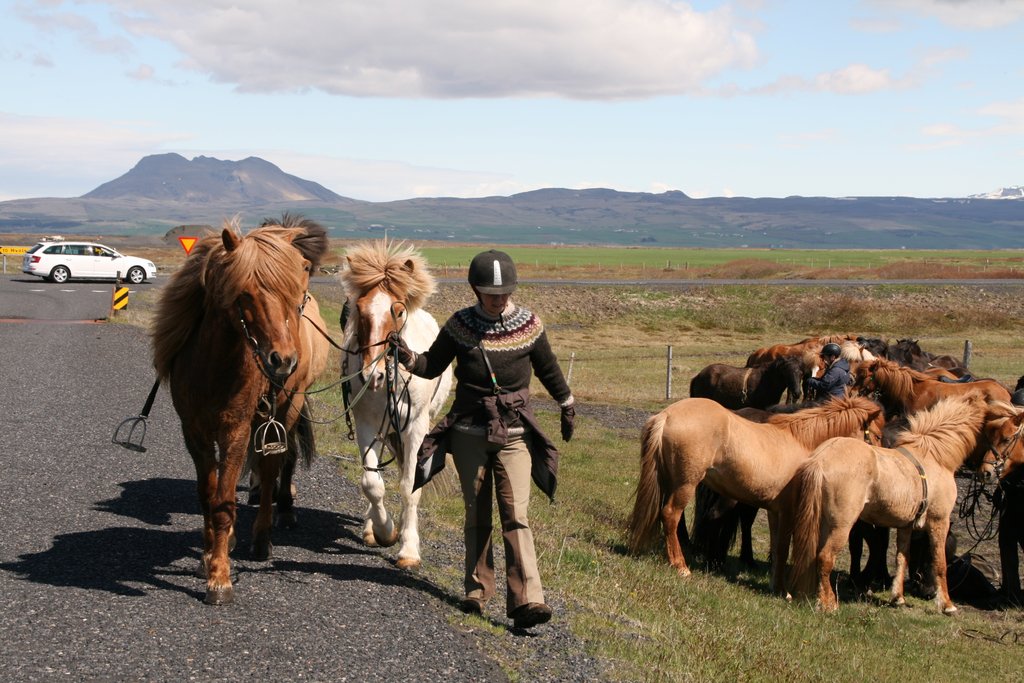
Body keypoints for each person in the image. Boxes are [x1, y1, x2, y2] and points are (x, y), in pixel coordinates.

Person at [391, 249, 575, 630]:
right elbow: (432, 365)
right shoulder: (460, 325)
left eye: (505, 292)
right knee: (477, 514)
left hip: (515, 435)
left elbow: (548, 368)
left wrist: (566, 403)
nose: (499, 298)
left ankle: (528, 600)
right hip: (469, 434)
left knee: (516, 515)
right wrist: (408, 358)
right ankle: (476, 590)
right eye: (491, 293)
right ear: (476, 290)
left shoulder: (529, 325)